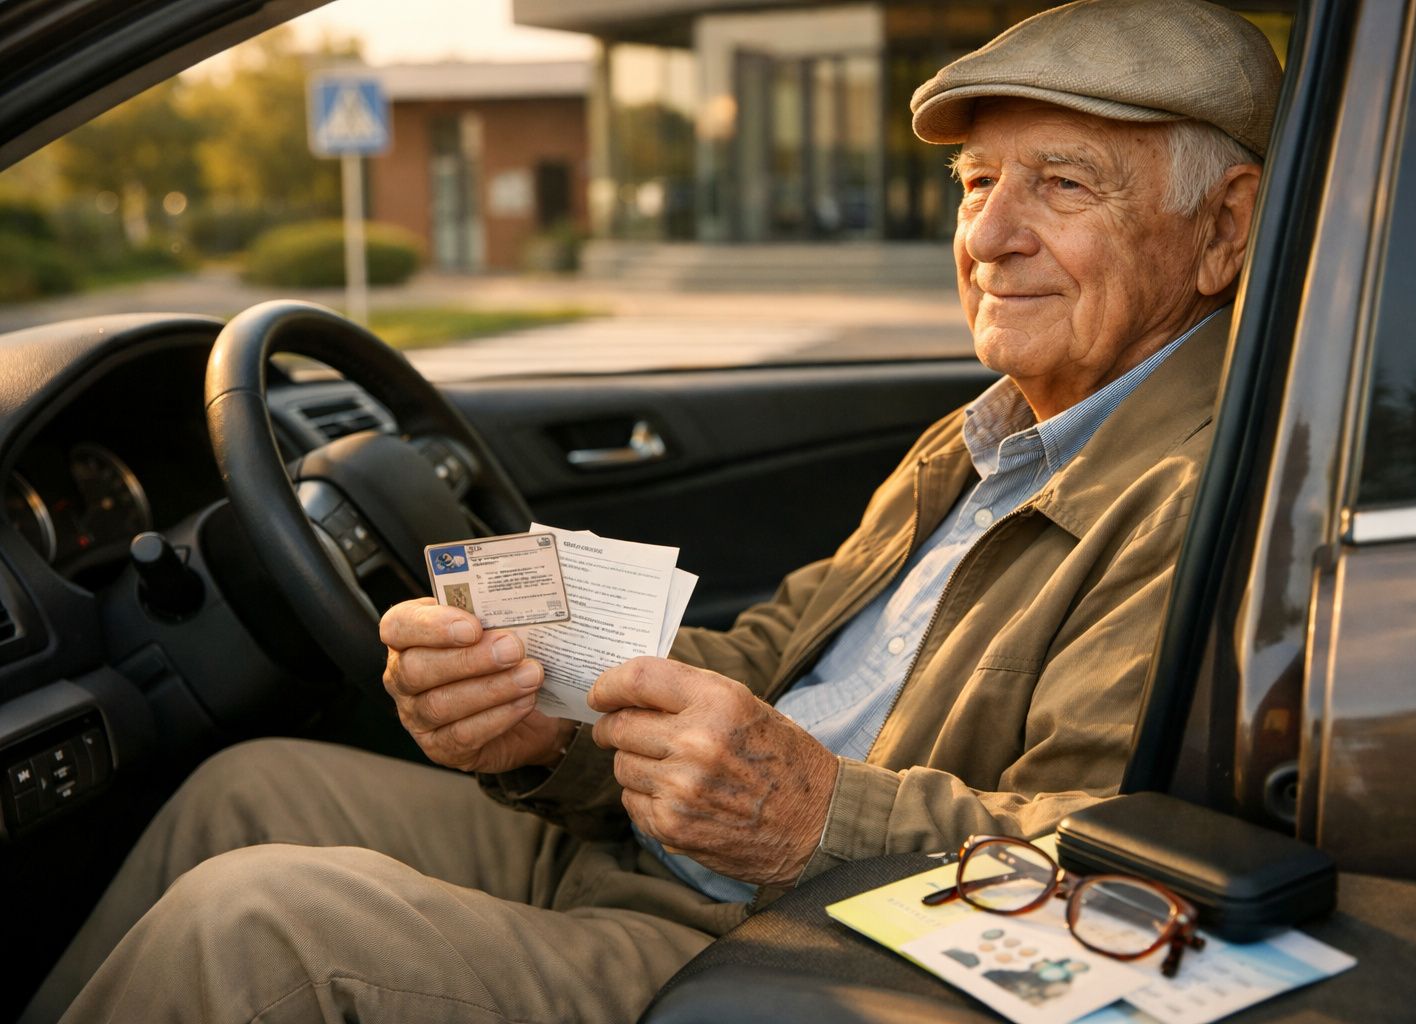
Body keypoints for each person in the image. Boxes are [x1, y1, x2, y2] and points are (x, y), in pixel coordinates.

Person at [22, 0, 1279, 1020]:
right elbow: (767, 657)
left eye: (1060, 185)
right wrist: (540, 726)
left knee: (253, 927)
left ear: (1224, 232)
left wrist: (807, 814)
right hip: (649, 846)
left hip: (783, 944)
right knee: (245, 791)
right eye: (973, 181)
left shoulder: (1205, 493)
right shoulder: (982, 433)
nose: (988, 234)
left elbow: (1109, 858)